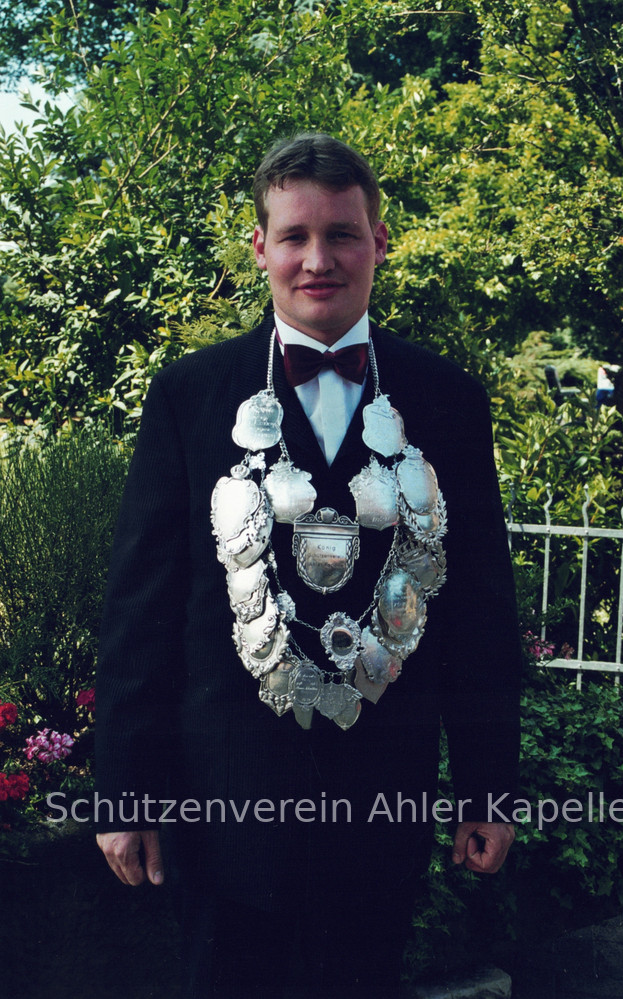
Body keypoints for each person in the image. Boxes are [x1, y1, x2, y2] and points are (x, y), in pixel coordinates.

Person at [95, 133, 522, 998]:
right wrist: (125, 792)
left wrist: (488, 786)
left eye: (341, 234)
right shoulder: (188, 395)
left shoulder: (447, 400)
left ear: (379, 242)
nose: (317, 260)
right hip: (222, 804)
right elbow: (142, 609)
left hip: (382, 800)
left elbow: (478, 608)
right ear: (260, 247)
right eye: (294, 235)